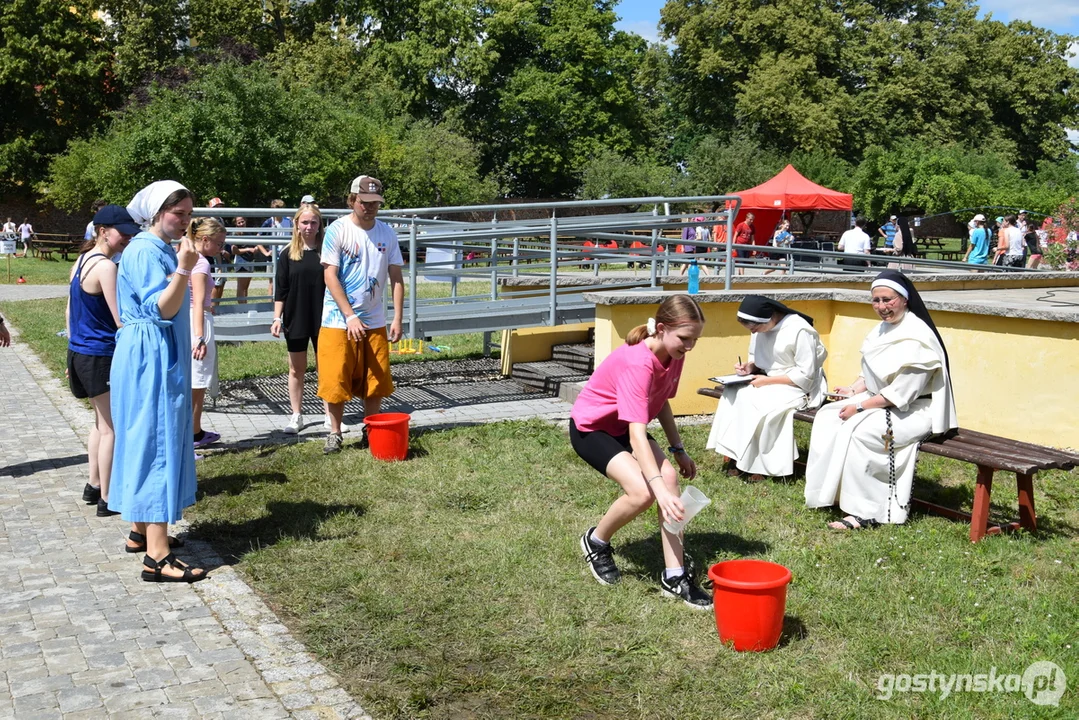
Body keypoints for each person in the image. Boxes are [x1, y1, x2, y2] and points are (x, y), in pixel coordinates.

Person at [572, 295, 710, 609]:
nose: (689, 346)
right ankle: (596, 541)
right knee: (643, 492)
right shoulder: (638, 363)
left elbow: (660, 401)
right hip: (592, 429)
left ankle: (674, 576)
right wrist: (658, 489)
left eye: (694, 340)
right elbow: (636, 433)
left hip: (623, 427)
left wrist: (678, 450)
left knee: (670, 478)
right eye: (685, 339)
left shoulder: (674, 352)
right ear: (661, 329)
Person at [804, 270, 957, 529]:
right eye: (876, 301)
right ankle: (831, 493)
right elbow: (871, 372)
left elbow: (902, 393)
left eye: (888, 300)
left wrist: (859, 406)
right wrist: (853, 390)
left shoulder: (918, 336)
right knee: (827, 417)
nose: (882, 307)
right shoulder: (881, 330)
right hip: (879, 400)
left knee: (863, 432)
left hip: (916, 409)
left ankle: (867, 512)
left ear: (905, 299)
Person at [110, 180, 206, 582]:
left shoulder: (150, 248)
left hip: (147, 352)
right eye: (177, 214)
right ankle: (158, 556)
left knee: (144, 437)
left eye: (188, 214)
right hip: (151, 354)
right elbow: (162, 309)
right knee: (156, 442)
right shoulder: (148, 251)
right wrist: (184, 268)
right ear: (155, 213)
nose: (184, 221)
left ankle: (139, 532)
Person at [317, 175, 404, 454]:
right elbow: (329, 274)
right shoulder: (337, 230)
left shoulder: (387, 233)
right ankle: (334, 432)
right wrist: (349, 315)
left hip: (375, 319)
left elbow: (397, 277)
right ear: (352, 200)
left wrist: (398, 318)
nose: (370, 207)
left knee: (375, 380)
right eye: (364, 202)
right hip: (336, 320)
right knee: (335, 377)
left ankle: (371, 429)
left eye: (375, 203)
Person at [706, 295, 828, 481]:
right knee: (732, 393)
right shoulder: (760, 328)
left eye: (755, 328)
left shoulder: (800, 330)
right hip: (767, 380)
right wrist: (750, 367)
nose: (754, 333)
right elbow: (761, 359)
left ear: (770, 318)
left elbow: (806, 375)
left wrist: (766, 381)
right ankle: (736, 455)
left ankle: (759, 464)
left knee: (756, 400)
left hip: (798, 386)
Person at [67, 205, 138, 516]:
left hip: (79, 352)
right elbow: (120, 319)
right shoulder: (107, 267)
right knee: (111, 427)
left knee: (99, 422)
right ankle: (108, 498)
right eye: (121, 232)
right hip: (99, 355)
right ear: (101, 231)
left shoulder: (80, 261)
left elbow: (69, 313)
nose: (126, 238)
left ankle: (94, 484)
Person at [272, 203, 334, 434]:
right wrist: (277, 318)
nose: (309, 227)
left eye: (313, 222)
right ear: (297, 225)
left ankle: (330, 415)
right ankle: (296, 415)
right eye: (305, 222)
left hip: (325, 318)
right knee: (296, 369)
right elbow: (282, 290)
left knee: (326, 369)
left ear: (320, 226)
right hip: (296, 317)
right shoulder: (287, 254)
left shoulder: (328, 251)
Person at [187, 217, 226, 455]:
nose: (221, 248)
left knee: (193, 381)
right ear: (204, 239)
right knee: (197, 382)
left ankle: (194, 431)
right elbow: (199, 303)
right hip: (198, 322)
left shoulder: (185, 255)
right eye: (219, 243)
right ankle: (192, 435)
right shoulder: (201, 264)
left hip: (188, 321)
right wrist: (200, 337)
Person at [259, 199, 292, 298]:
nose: (276, 211)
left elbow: (294, 236)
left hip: (286, 255)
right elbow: (258, 236)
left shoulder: (288, 221)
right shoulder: (269, 222)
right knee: (272, 283)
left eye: (279, 209)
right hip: (272, 256)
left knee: (286, 281)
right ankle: (270, 305)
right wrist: (265, 252)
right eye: (274, 209)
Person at [231, 216, 260, 303]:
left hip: (250, 261)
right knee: (241, 287)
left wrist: (255, 249)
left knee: (246, 287)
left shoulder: (249, 232)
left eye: (242, 221)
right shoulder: (235, 234)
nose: (241, 224)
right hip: (241, 262)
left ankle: (245, 305)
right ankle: (241, 307)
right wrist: (247, 249)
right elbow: (234, 250)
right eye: (239, 223)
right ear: (236, 224)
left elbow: (254, 244)